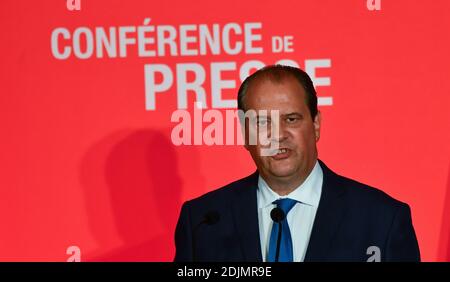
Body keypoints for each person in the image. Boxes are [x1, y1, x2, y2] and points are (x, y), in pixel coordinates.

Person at [174, 65, 420, 262]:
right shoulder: (202, 221)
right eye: (261, 123)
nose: (278, 135)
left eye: (291, 119)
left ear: (316, 125)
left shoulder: (381, 219)